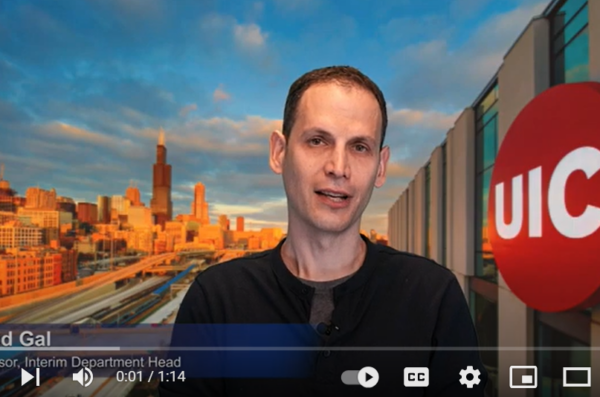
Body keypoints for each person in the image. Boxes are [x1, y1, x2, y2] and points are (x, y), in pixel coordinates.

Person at [158, 66, 488, 396]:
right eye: (317, 141)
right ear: (279, 153)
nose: (338, 168)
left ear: (381, 166)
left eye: (359, 147)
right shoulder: (216, 298)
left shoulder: (433, 295)